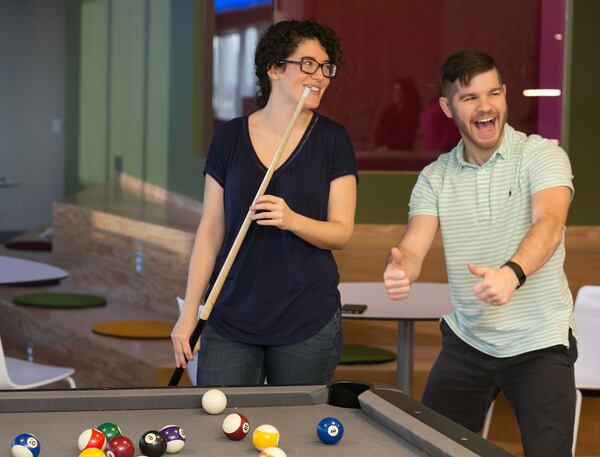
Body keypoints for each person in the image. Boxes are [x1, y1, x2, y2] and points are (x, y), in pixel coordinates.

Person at [383, 49, 575, 457]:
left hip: (539, 341)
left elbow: (550, 225)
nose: (485, 106)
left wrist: (512, 273)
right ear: (447, 107)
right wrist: (402, 267)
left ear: (505, 95)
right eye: (470, 97)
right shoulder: (435, 178)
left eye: (493, 93)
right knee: (429, 449)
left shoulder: (541, 156)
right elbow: (414, 244)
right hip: (467, 342)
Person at [171, 20, 358, 387]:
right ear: (274, 68)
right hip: (230, 316)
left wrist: (292, 220)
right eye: (307, 64)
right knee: (218, 428)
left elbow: (342, 233)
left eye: (326, 67)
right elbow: (210, 231)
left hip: (306, 318)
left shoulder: (333, 140)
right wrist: (190, 312)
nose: (319, 75)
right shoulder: (228, 139)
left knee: (297, 436)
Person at [373, 77, 420, 150]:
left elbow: (406, 135)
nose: (396, 94)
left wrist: (388, 147)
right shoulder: (387, 112)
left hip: (405, 154)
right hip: (384, 153)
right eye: (394, 90)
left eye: (399, 91)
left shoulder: (413, 113)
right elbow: (379, 132)